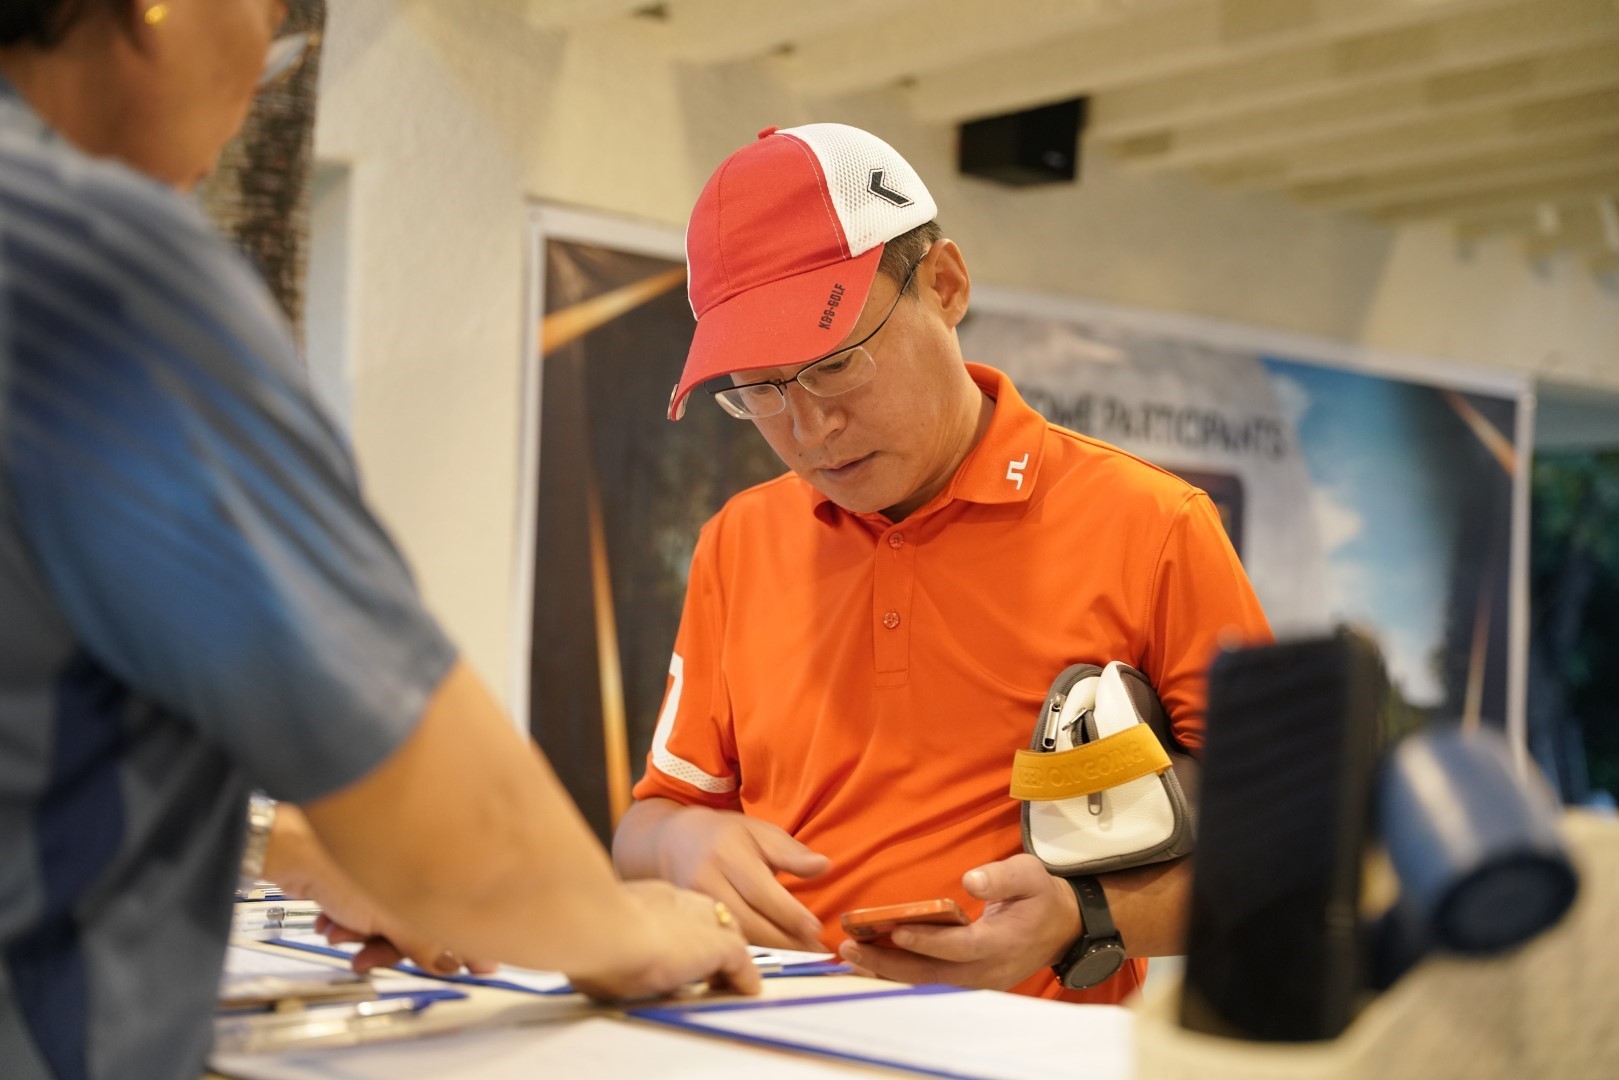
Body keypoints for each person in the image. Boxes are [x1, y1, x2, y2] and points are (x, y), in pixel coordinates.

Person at [0, 3, 755, 1077]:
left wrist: (277, 843)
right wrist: (627, 931)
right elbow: (434, 798)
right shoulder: (102, 265)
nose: (263, 67)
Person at [612, 123, 1272, 1004]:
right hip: (776, 1037)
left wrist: (1086, 916)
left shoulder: (1153, 526)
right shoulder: (738, 539)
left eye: (835, 364)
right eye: (759, 390)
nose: (809, 429)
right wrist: (679, 844)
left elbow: (1287, 846)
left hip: (1022, 1054)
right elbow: (650, 821)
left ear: (945, 286)